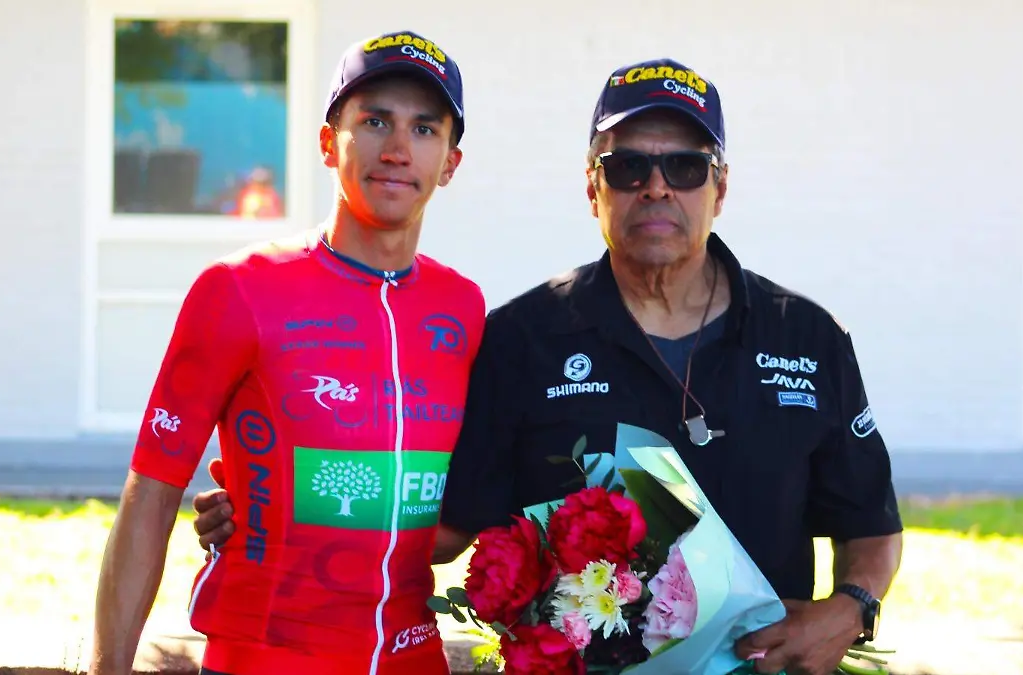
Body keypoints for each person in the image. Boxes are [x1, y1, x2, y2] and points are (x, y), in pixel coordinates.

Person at [193, 57, 904, 675]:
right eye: (627, 167)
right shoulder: (521, 340)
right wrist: (274, 504)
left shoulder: (809, 338)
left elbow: (871, 524)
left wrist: (851, 609)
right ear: (593, 189)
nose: (656, 187)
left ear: (720, 189)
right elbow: (443, 528)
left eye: (685, 167)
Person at [90, 29, 486, 675]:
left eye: (423, 129)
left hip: (413, 657)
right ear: (329, 143)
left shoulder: (463, 308)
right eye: (375, 121)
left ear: (450, 162)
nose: (396, 149)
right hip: (264, 657)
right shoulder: (239, 288)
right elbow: (151, 494)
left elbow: (438, 526)